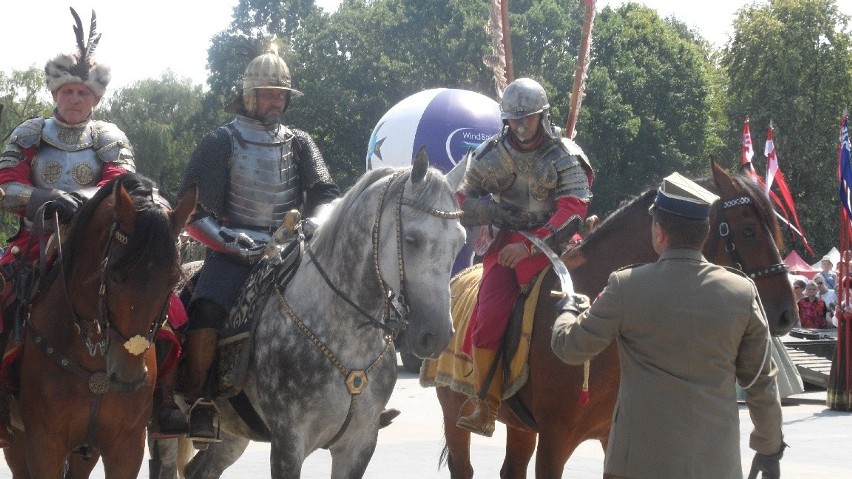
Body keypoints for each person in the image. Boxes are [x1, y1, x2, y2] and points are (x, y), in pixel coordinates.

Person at [551, 173, 785, 479]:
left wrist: (567, 309)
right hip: (715, 466)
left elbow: (570, 348)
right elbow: (761, 382)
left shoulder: (626, 286)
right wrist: (769, 449)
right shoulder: (741, 292)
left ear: (660, 233)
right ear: (705, 232)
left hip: (636, 467)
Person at [171, 45, 341, 440]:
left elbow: (327, 196)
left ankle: (355, 399)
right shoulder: (220, 141)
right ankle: (199, 400)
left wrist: (316, 223)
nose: (275, 101)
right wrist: (233, 242)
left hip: (294, 249)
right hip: (234, 253)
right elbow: (193, 212)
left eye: (281, 94)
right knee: (208, 310)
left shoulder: (300, 142)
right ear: (249, 95)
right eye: (267, 93)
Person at [0, 8, 134, 447]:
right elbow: (5, 185)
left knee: (163, 307)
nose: (75, 99)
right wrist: (42, 198)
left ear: (95, 99)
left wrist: (79, 199)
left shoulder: (108, 136)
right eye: (68, 91)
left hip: (97, 241)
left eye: (83, 92)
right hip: (36, 240)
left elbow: (123, 183)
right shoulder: (29, 133)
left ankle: (165, 397)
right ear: (56, 92)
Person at [454, 77, 593, 437]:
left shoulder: (564, 154)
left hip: (559, 242)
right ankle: (486, 403)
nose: (521, 125)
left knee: (606, 287)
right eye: (514, 119)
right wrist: (489, 213)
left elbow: (574, 209)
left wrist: (531, 246)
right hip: (506, 245)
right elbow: (459, 200)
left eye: (528, 118)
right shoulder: (490, 154)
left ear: (542, 116)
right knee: (488, 315)